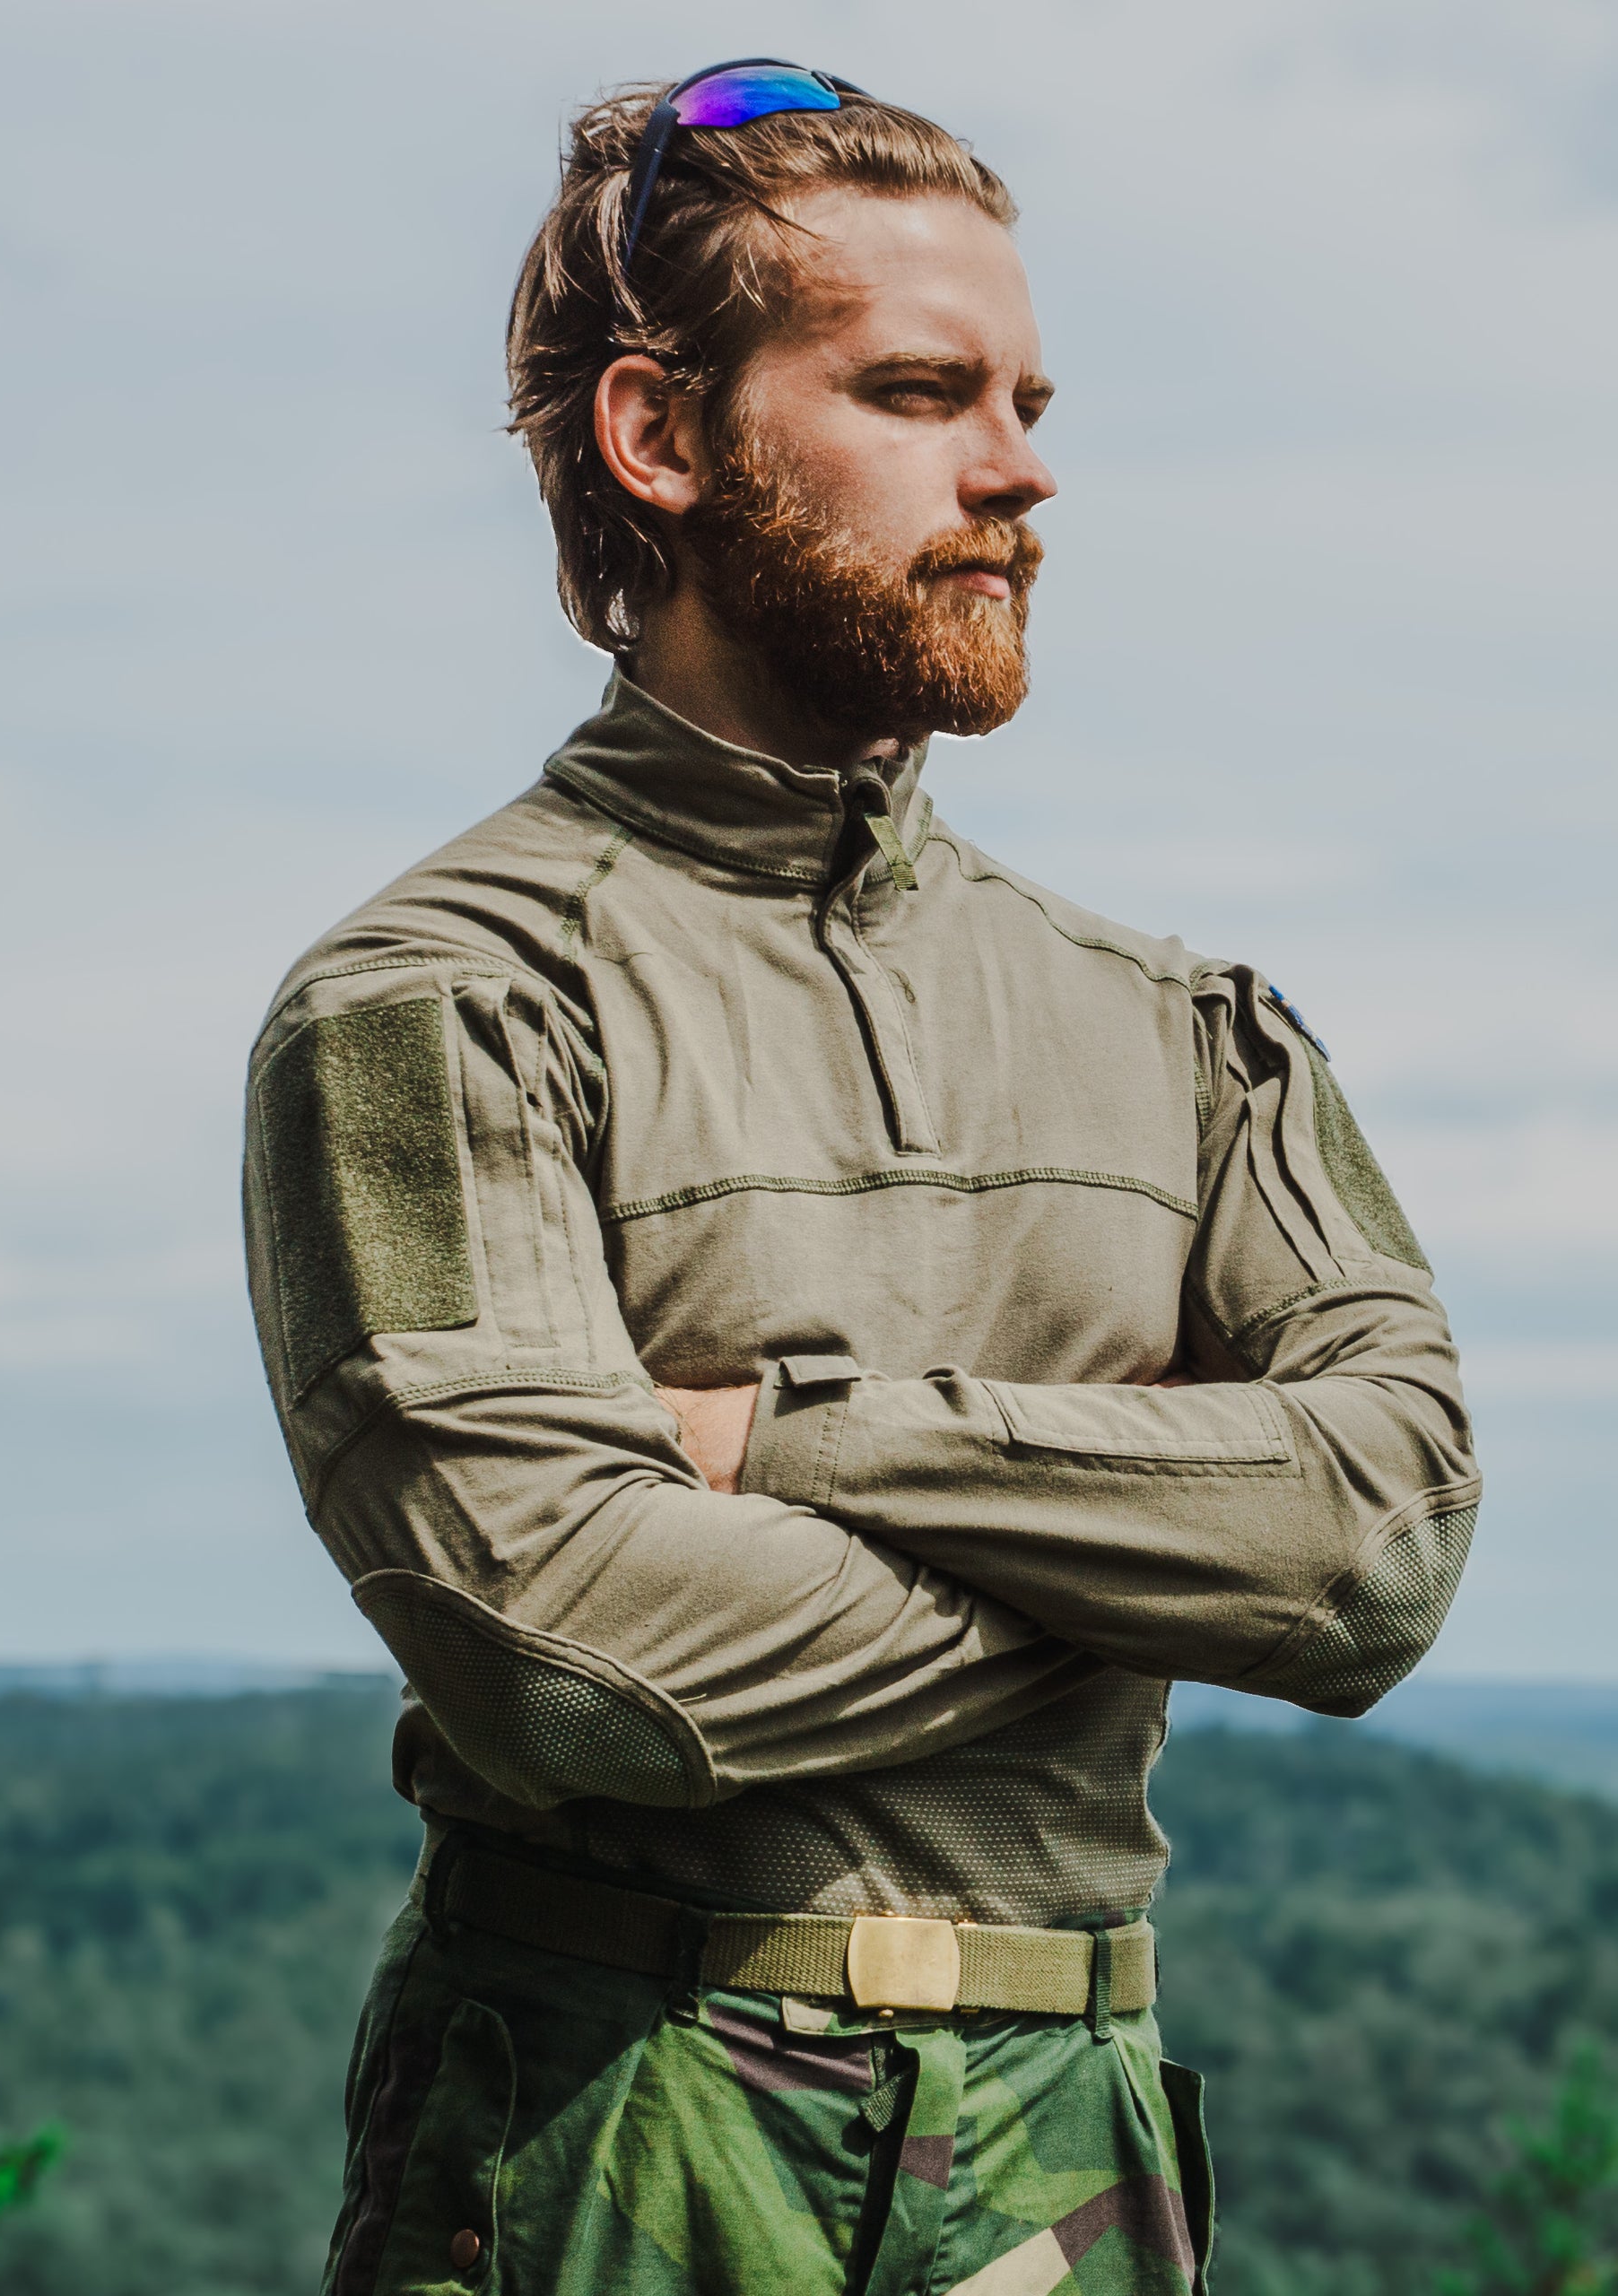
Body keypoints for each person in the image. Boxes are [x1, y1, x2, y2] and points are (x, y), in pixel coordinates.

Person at [240, 62, 1478, 2295]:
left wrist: (793, 1444)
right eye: (917, 392)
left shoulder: (1181, 1027)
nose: (1019, 469)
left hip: (1073, 2143)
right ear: (661, 433)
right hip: (611, 2127)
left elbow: (1378, 1543)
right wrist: (1162, 1554)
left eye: (1024, 399)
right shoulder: (443, 1002)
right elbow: (574, 1657)